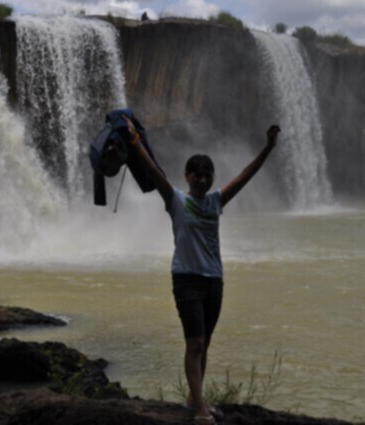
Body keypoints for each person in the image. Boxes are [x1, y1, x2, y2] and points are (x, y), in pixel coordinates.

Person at [124, 117, 280, 425]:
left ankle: (195, 398)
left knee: (204, 342)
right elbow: (154, 173)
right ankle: (199, 411)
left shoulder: (216, 201)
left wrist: (268, 148)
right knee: (194, 343)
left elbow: (246, 175)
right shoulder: (176, 200)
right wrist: (134, 142)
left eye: (207, 175)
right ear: (187, 176)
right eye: (197, 175)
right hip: (186, 280)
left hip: (214, 281)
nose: (202, 180)